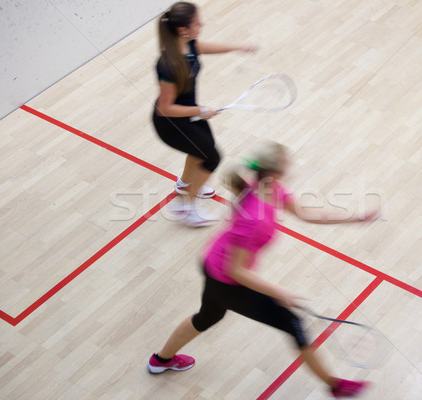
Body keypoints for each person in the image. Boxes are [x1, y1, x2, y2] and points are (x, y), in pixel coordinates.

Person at [147, 141, 381, 398]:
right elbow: (236, 271)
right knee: (293, 324)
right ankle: (336, 387)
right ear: (272, 171)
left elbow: (305, 212)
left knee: (207, 317)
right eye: (285, 164)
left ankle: (161, 360)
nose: (290, 166)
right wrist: (277, 290)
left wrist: (355, 217)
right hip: (227, 279)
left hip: (213, 264)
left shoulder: (269, 187)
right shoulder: (255, 216)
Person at [153, 1, 254, 227]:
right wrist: (201, 110)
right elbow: (164, 107)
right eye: (197, 22)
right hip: (172, 123)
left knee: (200, 151)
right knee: (211, 158)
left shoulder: (187, 44)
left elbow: (204, 47)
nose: (202, 24)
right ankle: (185, 206)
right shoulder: (168, 64)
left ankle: (185, 185)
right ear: (183, 29)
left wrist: (237, 47)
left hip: (189, 114)